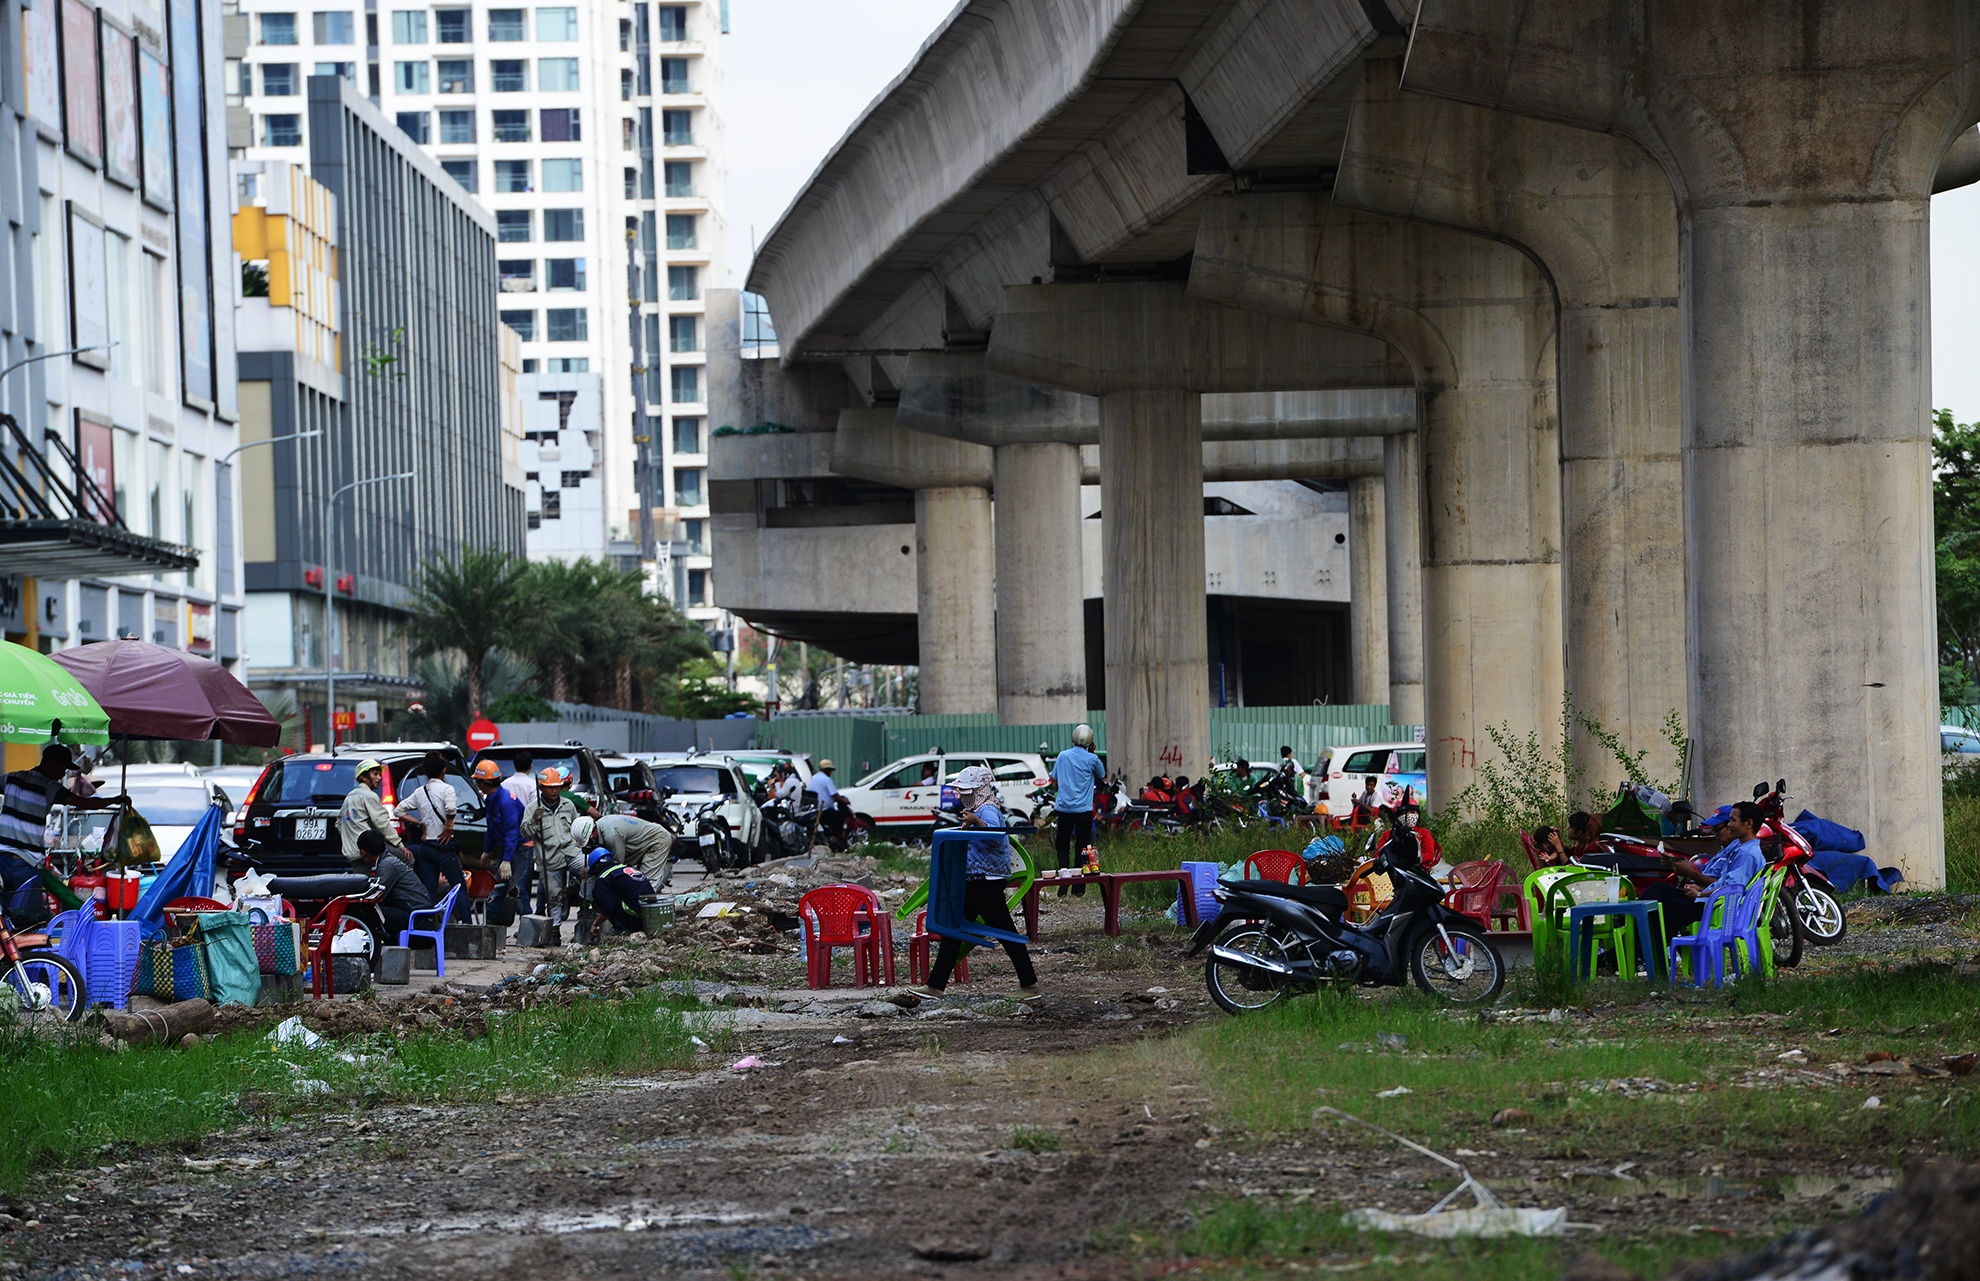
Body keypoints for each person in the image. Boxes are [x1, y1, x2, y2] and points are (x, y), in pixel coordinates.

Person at [923, 765, 1037, 995]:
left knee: (997, 932)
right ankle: (935, 986)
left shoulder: (987, 810)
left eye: (967, 791)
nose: (962, 795)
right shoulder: (979, 809)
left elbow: (995, 837)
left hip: (986, 881)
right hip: (978, 880)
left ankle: (1029, 984)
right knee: (955, 929)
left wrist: (977, 821)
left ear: (979, 790)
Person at [1, 744, 121, 926]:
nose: (63, 774)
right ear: (51, 764)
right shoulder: (49, 787)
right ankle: (29, 954)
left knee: (11, 914)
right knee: (28, 918)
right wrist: (115, 800)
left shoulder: (11, 778)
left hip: (3, 858)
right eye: (63, 768)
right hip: (25, 861)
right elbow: (84, 803)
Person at [1642, 800, 1769, 932]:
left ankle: (1638, 942)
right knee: (1659, 890)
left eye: (1732, 821)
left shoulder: (1746, 853)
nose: (1730, 825)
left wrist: (1700, 894)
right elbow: (1724, 882)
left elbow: (1732, 889)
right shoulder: (1743, 849)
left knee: (1657, 909)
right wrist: (1699, 888)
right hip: (1711, 903)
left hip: (1716, 909)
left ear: (1748, 823)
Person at [397, 753, 467, 920]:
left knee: (429, 888)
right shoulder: (447, 789)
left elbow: (398, 810)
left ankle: (426, 923)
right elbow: (450, 808)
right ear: (443, 770)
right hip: (444, 845)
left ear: (426, 772)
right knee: (459, 887)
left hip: (426, 847)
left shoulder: (420, 792)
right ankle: (468, 925)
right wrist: (449, 827)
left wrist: (420, 823)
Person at [520, 766, 583, 929]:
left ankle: (585, 906)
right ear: (541, 788)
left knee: (591, 870)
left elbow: (576, 827)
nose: (554, 790)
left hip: (571, 852)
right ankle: (555, 930)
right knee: (553, 896)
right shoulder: (532, 809)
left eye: (557, 787)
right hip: (550, 858)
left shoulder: (568, 805)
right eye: (550, 787)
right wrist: (534, 819)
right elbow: (525, 832)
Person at [1049, 724, 1106, 894]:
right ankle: (1079, 887)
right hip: (1083, 810)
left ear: (1073, 738)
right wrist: (1092, 753)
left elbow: (1054, 777)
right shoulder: (1092, 759)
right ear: (1090, 741)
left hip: (1065, 809)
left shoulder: (1062, 756)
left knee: (1062, 843)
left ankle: (1064, 875)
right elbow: (1102, 775)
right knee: (1083, 846)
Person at [356, 828, 433, 943]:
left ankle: (374, 945)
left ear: (363, 852)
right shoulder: (387, 860)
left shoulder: (387, 864)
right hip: (418, 917)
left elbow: (375, 895)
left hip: (418, 923)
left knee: (369, 911)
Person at [473, 760, 527, 919]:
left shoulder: (505, 802)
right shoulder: (491, 799)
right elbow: (492, 828)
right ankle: (491, 923)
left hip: (520, 848)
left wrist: (507, 860)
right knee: (496, 887)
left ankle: (530, 927)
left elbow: (512, 832)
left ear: (482, 782)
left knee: (517, 889)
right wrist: (487, 850)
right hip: (508, 848)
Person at [338, 758, 407, 866]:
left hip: (352, 852)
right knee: (407, 859)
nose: (379, 778)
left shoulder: (349, 797)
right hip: (370, 849)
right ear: (364, 777)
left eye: (380, 774)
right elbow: (382, 823)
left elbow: (339, 823)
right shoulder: (369, 796)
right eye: (375, 774)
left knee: (361, 880)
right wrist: (400, 845)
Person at [585, 848, 656, 937]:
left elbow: (608, 908)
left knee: (599, 894)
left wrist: (595, 924)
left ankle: (622, 929)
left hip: (635, 913)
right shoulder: (626, 868)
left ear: (597, 866)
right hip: (650, 913)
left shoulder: (604, 877)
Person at [592, 812, 676, 886]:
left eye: (590, 839)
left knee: (645, 885)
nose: (591, 842)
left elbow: (617, 866)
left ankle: (648, 901)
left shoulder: (611, 835)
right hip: (645, 842)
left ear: (594, 830)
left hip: (657, 840)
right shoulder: (602, 824)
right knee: (638, 882)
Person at [808, 759, 845, 847]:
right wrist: (844, 801)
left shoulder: (814, 777)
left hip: (815, 809)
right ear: (827, 770)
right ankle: (835, 837)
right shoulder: (827, 780)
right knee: (840, 816)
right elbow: (834, 794)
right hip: (824, 810)